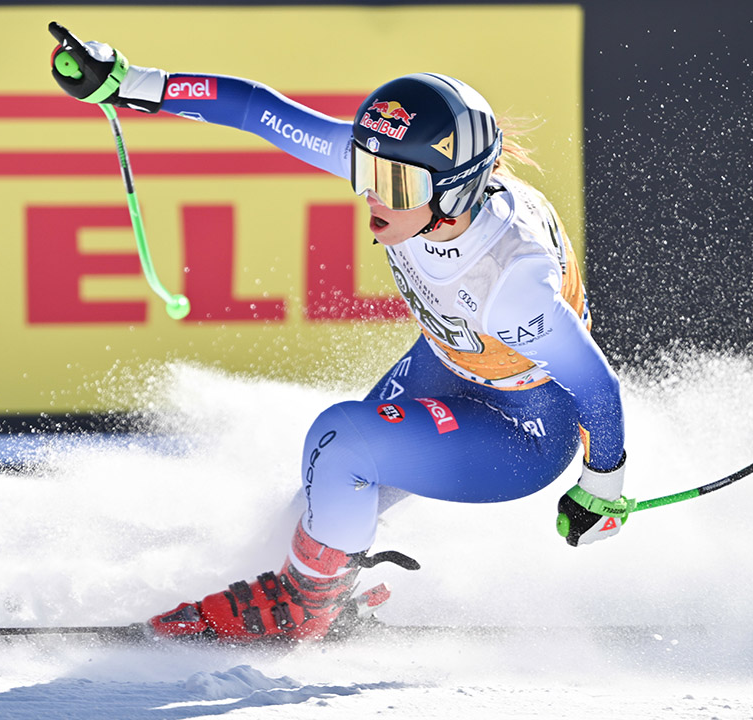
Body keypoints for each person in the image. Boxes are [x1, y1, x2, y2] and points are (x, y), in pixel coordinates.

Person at [48, 23, 629, 643]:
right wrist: (128, 82)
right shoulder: (407, 175)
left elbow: (597, 386)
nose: (374, 198)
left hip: (524, 432)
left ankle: (305, 610)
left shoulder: (513, 283)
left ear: (456, 193)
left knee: (342, 442)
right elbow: (256, 109)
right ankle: (325, 597)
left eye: (397, 187)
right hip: (455, 362)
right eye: (366, 175)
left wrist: (602, 493)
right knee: (314, 502)